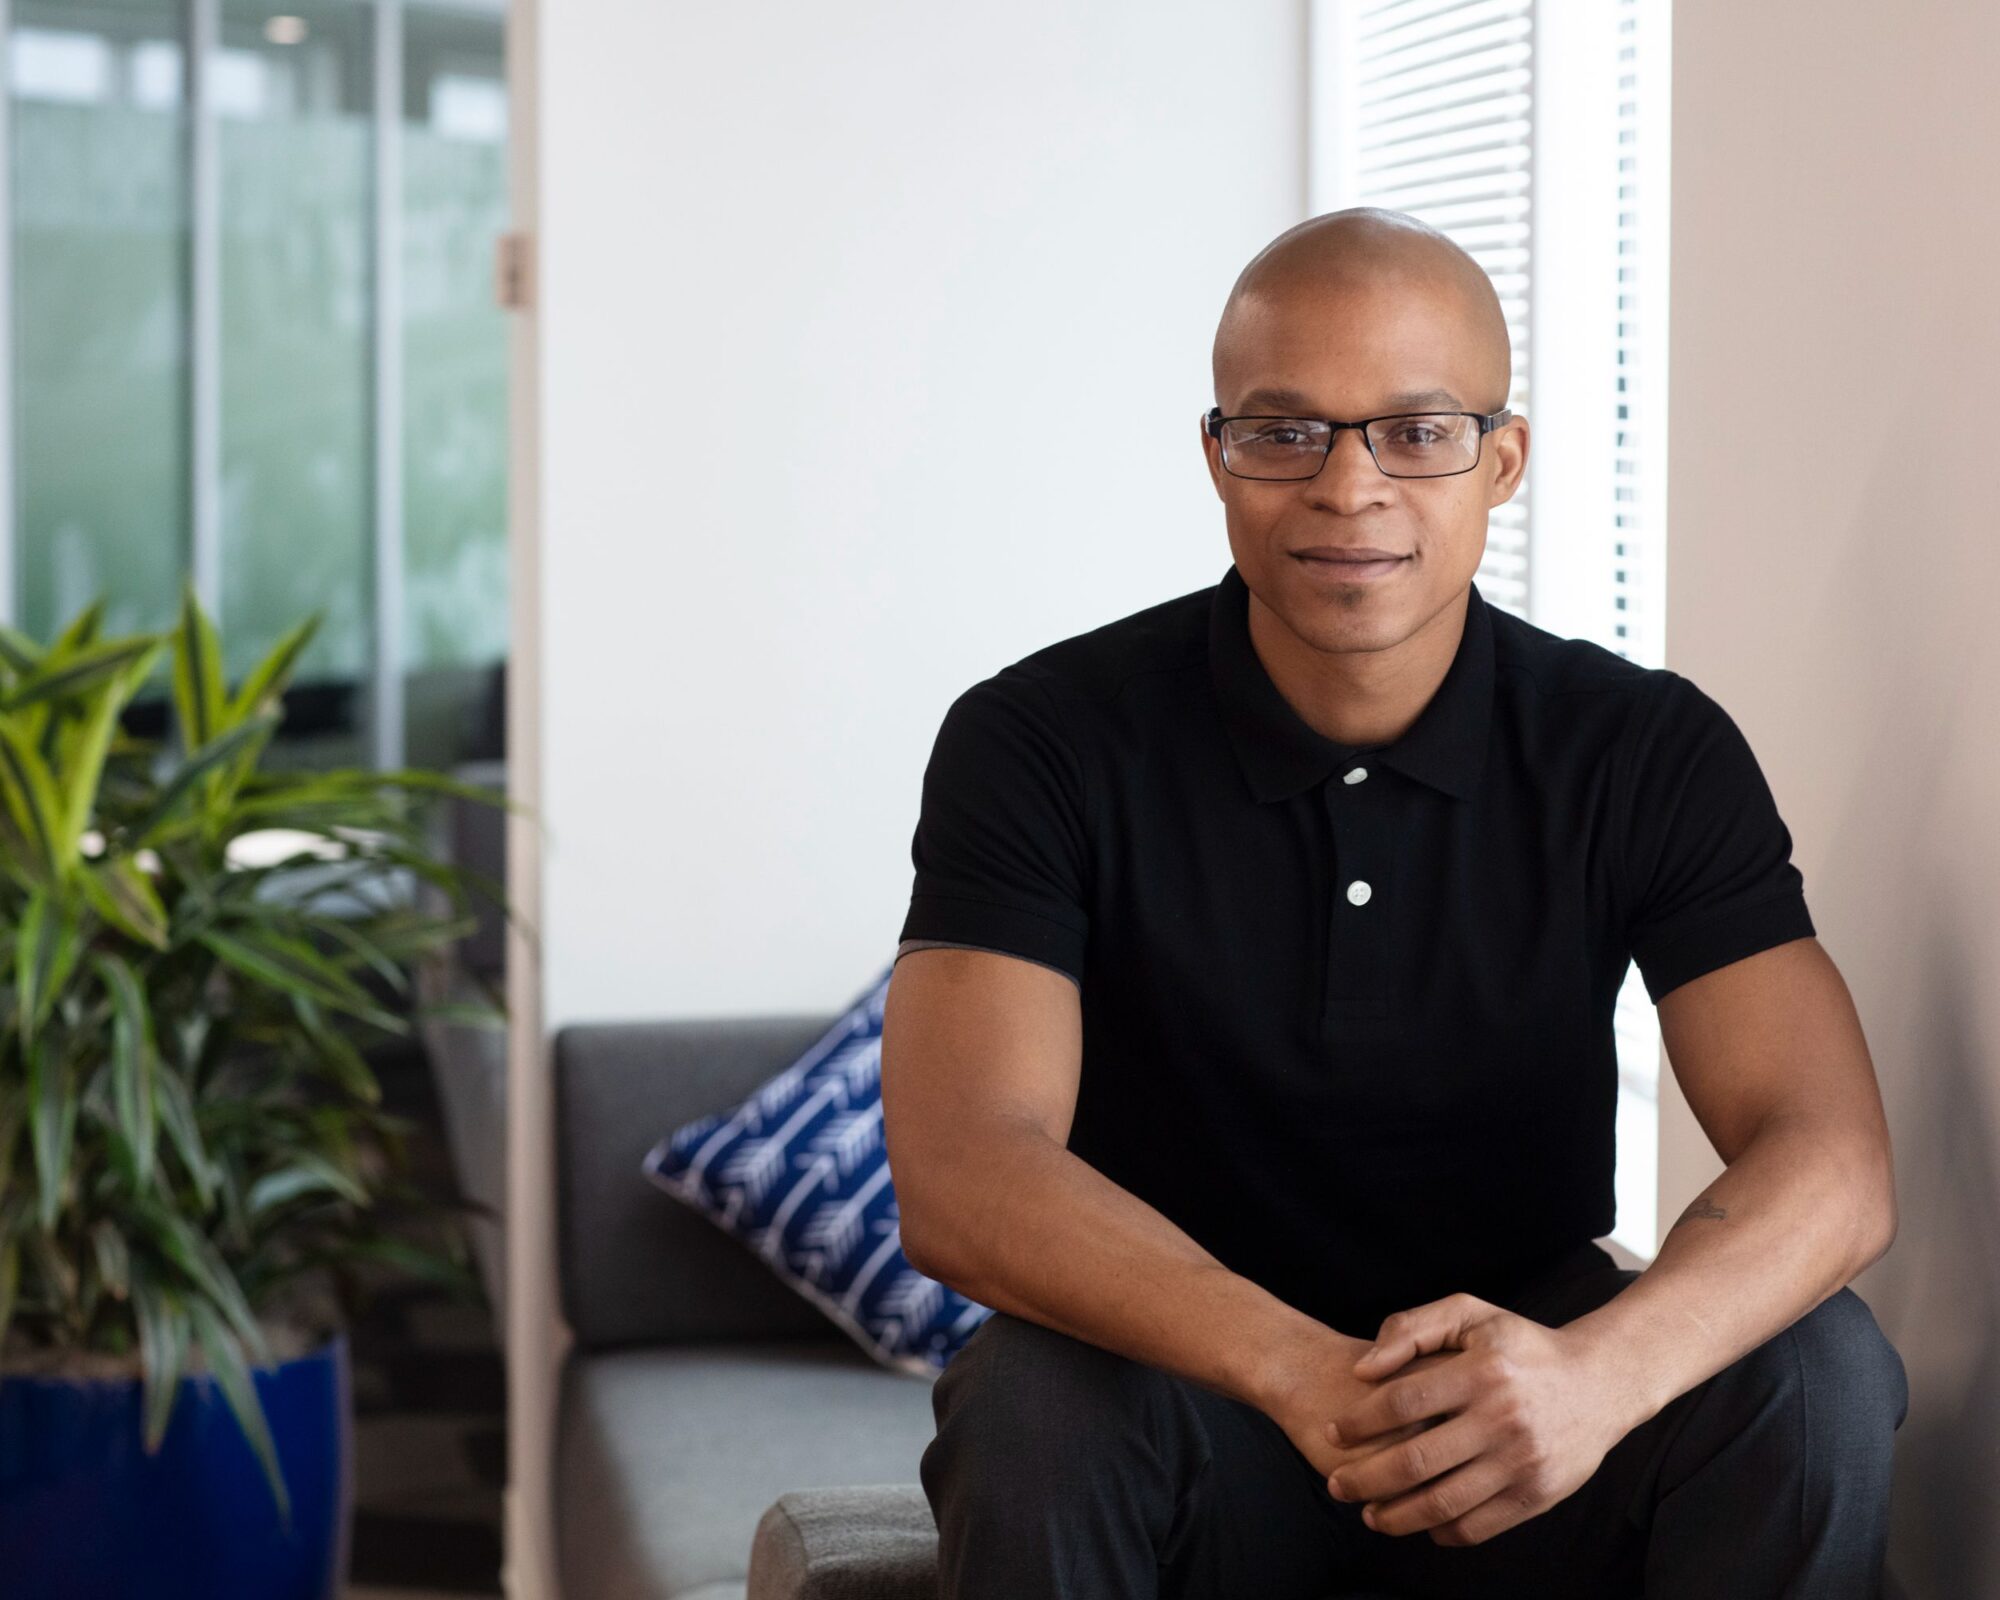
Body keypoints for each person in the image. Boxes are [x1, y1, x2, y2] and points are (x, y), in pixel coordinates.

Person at [879, 207, 1907, 1600]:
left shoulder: (1641, 748)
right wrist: (1299, 1369)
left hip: (1539, 1413)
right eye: (1284, 432)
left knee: (1822, 1370)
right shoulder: (1045, 738)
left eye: (1417, 432)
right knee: (1035, 1399)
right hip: (1193, 1403)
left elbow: (1831, 1160)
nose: (1349, 489)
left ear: (1504, 461)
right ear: (1217, 457)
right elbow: (965, 1172)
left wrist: (1595, 1381)